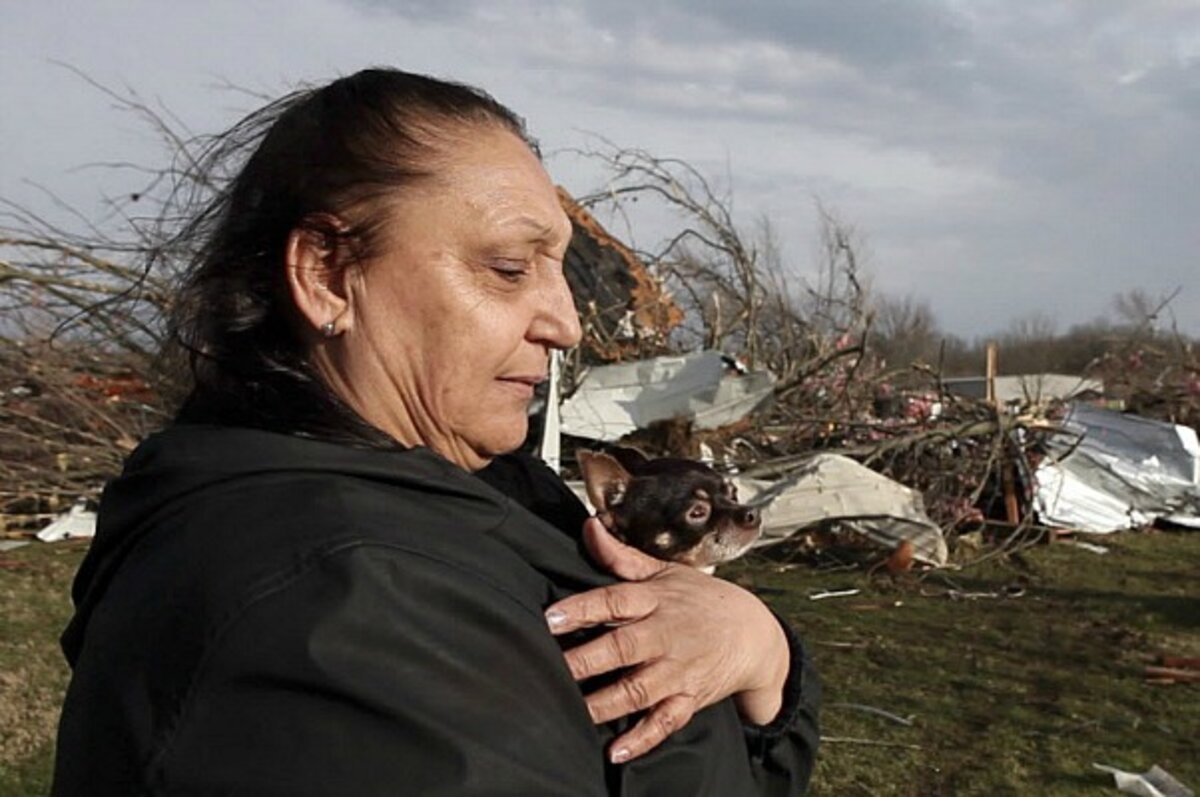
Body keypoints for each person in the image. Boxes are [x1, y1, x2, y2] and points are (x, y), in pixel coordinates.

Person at [51, 67, 819, 796]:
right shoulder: (326, 612)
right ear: (325, 274)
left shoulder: (472, 485)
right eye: (511, 268)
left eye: (561, 271)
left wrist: (758, 649)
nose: (565, 323)